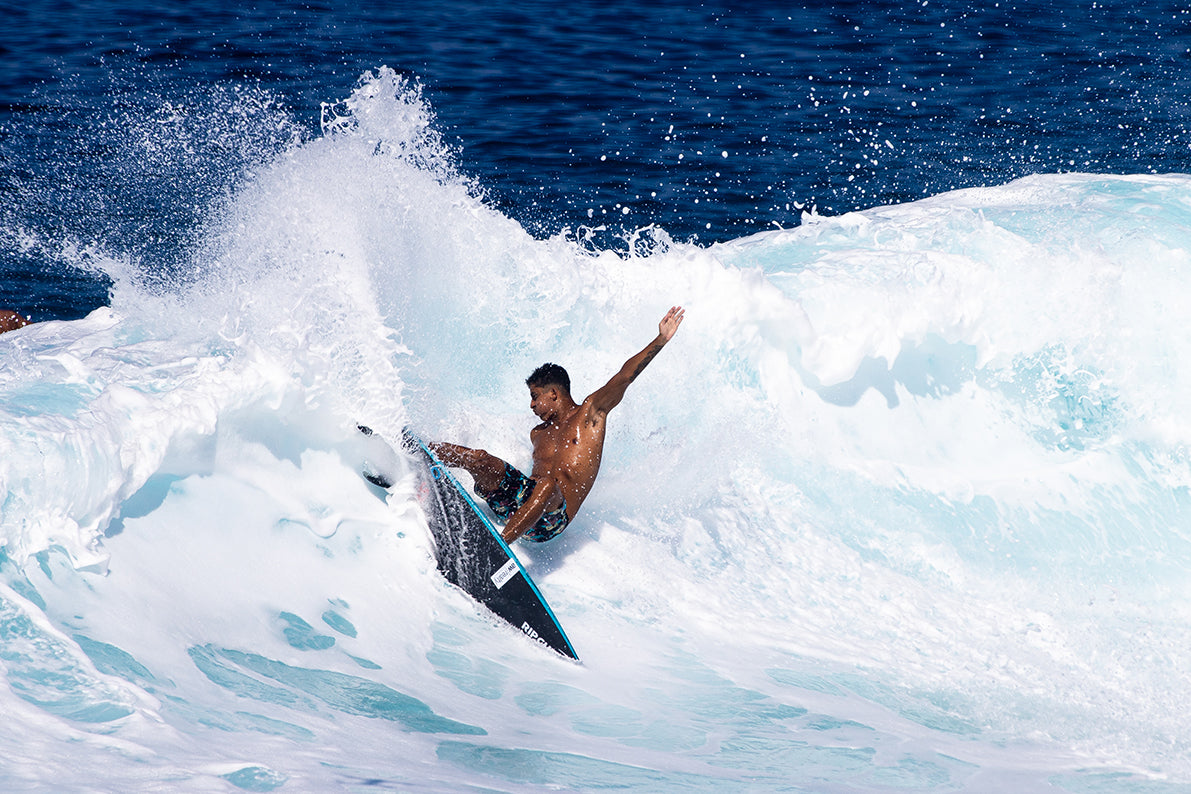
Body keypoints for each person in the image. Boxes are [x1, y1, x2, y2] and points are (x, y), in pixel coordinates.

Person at [429, 306, 685, 544]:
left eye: (535, 396)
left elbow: (624, 376)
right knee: (480, 458)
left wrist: (660, 340)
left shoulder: (590, 415)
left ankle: (498, 546)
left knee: (548, 485)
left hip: (550, 521)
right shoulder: (538, 433)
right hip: (518, 505)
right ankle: (421, 452)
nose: (531, 405)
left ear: (553, 393)